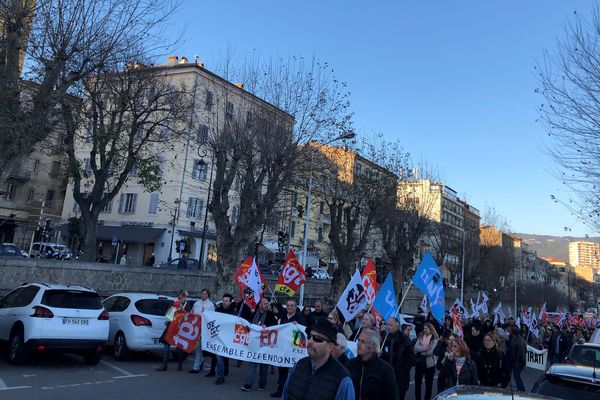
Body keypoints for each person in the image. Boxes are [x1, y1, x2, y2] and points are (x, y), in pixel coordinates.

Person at [282, 317, 354, 400]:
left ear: (330, 347)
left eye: (317, 338)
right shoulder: (299, 365)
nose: (310, 341)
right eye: (309, 336)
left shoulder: (343, 380)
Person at [346, 328, 399, 400]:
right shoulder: (350, 364)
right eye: (358, 340)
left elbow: (392, 396)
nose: (358, 344)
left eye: (363, 342)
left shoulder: (386, 370)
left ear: (373, 348)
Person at [241, 297, 278, 392]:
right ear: (260, 304)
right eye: (264, 303)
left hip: (265, 344)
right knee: (252, 364)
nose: (267, 305)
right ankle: (248, 384)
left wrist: (268, 327)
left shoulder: (271, 315)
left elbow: (275, 328)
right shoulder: (253, 313)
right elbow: (248, 324)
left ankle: (262, 384)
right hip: (254, 343)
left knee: (264, 366)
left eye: (267, 304)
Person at [272, 299, 306, 398]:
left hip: (293, 349)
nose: (290, 307)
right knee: (282, 370)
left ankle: (287, 392)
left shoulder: (300, 318)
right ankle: (281, 390)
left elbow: (304, 331)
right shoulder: (282, 316)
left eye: (292, 305)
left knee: (292, 373)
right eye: (288, 305)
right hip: (283, 348)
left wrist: (298, 326)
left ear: (296, 307)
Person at [156, 290, 191, 372]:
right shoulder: (174, 303)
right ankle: (164, 365)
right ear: (180, 296)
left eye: (185, 297)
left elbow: (188, 316)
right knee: (166, 343)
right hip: (171, 326)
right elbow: (168, 314)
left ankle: (180, 365)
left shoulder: (187, 305)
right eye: (182, 296)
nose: (184, 298)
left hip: (181, 328)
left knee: (180, 346)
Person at [381, 318, 414, 400]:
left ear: (397, 325)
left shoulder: (404, 340)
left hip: (400, 377)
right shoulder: (385, 338)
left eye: (390, 325)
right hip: (388, 375)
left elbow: (411, 359)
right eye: (387, 325)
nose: (388, 327)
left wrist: (403, 371)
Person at [207, 293, 236, 385]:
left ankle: (225, 370)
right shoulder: (218, 310)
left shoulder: (233, 313)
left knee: (225, 357)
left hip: (227, 339)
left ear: (230, 302)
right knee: (219, 357)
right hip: (218, 338)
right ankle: (220, 377)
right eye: (223, 301)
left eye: (226, 301)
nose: (224, 302)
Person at [189, 288, 215, 374]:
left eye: (205, 294)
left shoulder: (210, 305)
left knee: (198, 348)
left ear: (208, 295)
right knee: (194, 347)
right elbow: (192, 313)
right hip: (195, 328)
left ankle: (196, 367)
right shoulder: (197, 303)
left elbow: (211, 317)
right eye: (202, 293)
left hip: (203, 329)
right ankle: (200, 361)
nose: (203, 295)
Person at [413, 323, 439, 400]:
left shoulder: (434, 338)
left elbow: (431, 352)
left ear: (431, 330)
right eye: (424, 328)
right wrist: (425, 349)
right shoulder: (420, 336)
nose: (425, 330)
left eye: (426, 329)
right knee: (417, 383)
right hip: (419, 363)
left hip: (430, 364)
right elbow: (415, 348)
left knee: (429, 384)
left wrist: (421, 350)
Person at [507, 326, 526, 391]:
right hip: (521, 362)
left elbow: (512, 354)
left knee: (517, 377)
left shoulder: (513, 341)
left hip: (516, 363)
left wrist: (511, 363)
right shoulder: (522, 339)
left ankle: (522, 390)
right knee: (517, 376)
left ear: (512, 332)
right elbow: (525, 351)